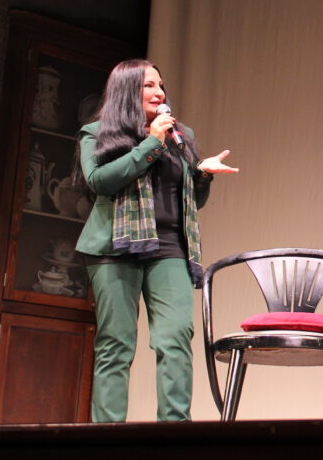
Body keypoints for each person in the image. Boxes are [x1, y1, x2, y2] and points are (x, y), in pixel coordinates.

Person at [74, 59, 238, 422]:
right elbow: (99, 181)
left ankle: (174, 432)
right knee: (116, 343)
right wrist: (151, 143)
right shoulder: (97, 133)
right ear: (126, 90)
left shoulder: (181, 136)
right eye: (148, 85)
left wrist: (201, 176)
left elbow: (191, 202)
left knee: (175, 337)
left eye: (160, 85)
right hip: (114, 248)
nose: (159, 92)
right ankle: (106, 436)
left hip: (169, 248)